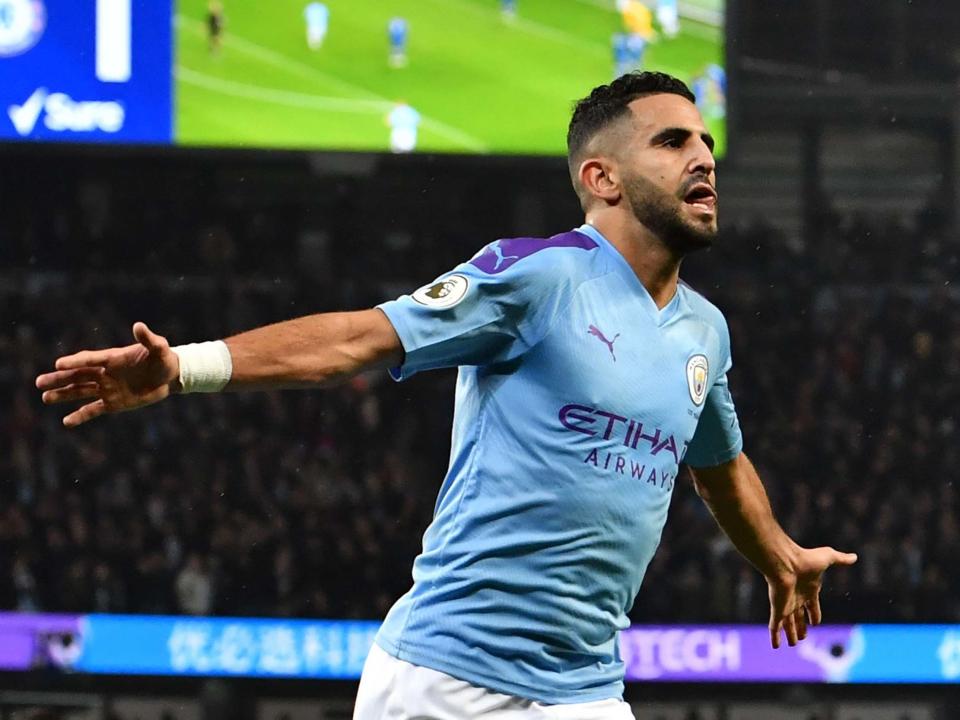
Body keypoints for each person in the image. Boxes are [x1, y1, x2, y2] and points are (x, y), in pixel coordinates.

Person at [36, 72, 857, 719]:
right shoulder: (538, 276)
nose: (703, 157)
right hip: (445, 684)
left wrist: (779, 555)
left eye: (706, 141)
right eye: (673, 141)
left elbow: (719, 465)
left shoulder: (705, 333)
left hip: (585, 690)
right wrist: (184, 364)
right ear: (600, 176)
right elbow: (358, 338)